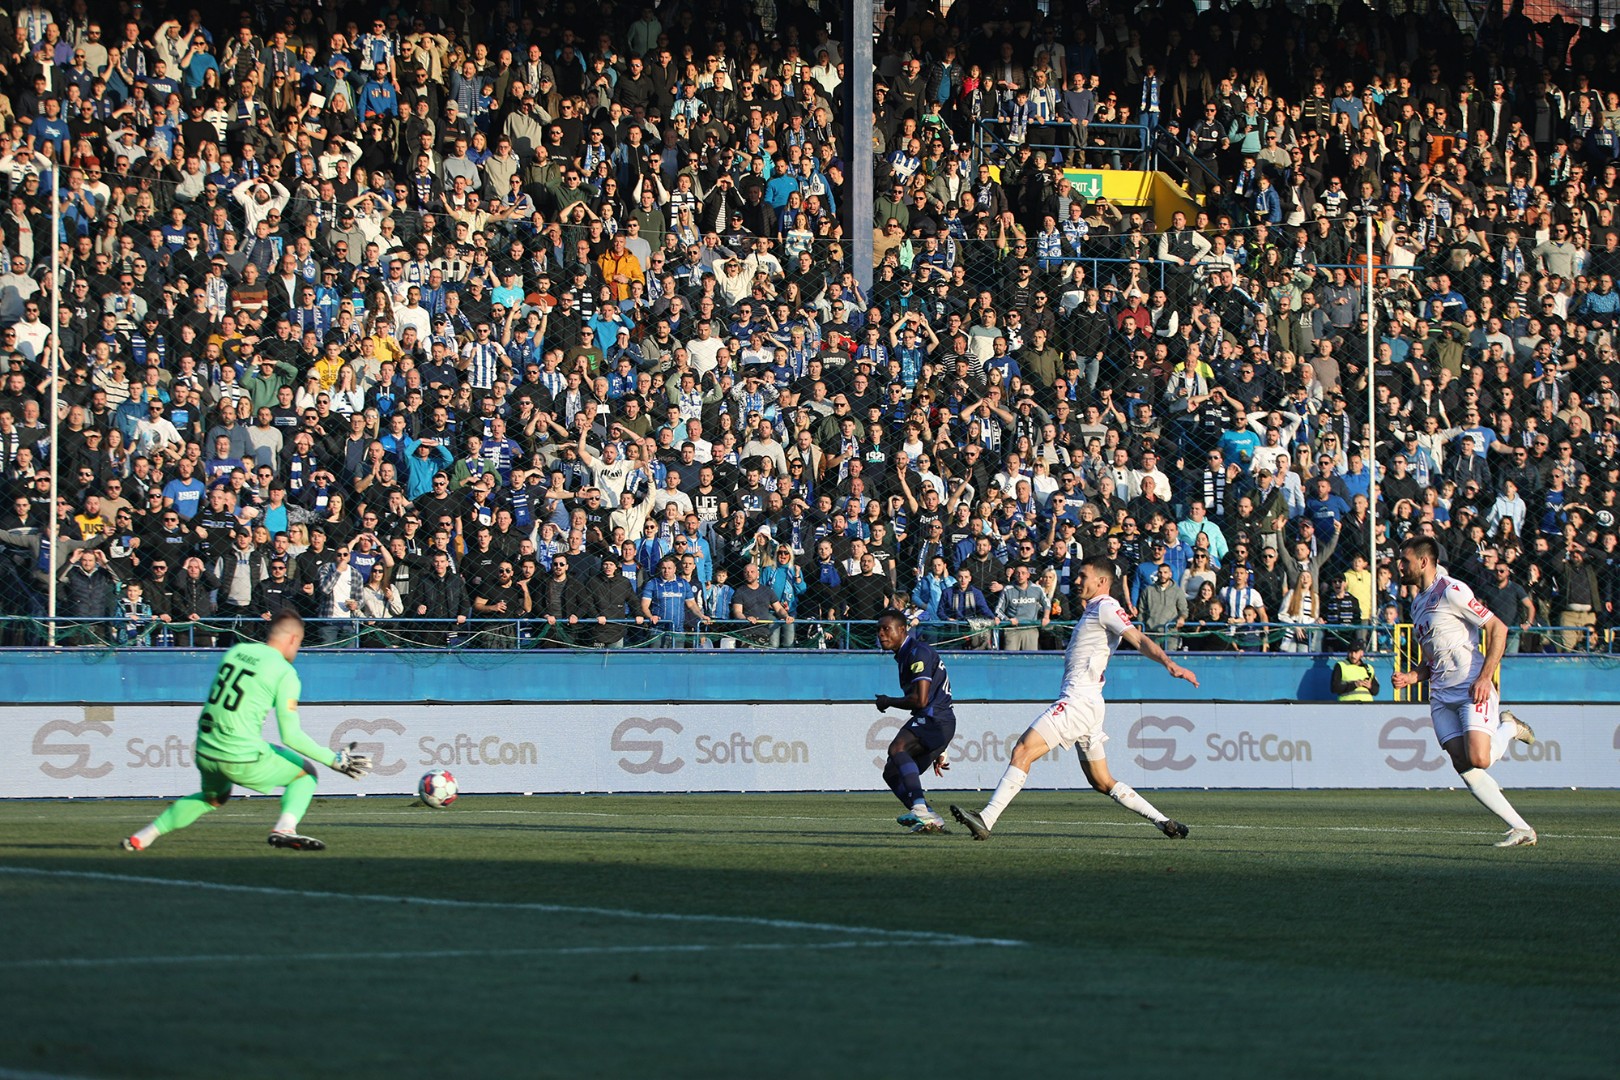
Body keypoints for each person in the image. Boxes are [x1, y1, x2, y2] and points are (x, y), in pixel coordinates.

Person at [950, 558, 1199, 841]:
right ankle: (1163, 822)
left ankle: (986, 818)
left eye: (1083, 576)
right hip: (1089, 702)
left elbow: (1138, 639)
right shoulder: (1094, 609)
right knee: (1102, 781)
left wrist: (1170, 664)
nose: (1077, 581)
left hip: (1078, 701)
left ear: (1102, 582)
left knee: (1022, 750)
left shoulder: (1107, 606)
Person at [121, 613, 373, 852]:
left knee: (214, 798)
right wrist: (333, 760)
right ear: (294, 639)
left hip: (205, 748)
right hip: (238, 754)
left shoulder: (237, 651)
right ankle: (285, 828)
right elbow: (290, 735)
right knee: (305, 774)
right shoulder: (285, 673)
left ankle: (142, 836)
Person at [1389, 536, 1538, 847]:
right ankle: (1521, 829)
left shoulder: (1452, 590)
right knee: (1462, 762)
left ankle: (1509, 727)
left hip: (1471, 685)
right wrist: (1412, 676)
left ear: (1424, 562)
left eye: (1405, 560)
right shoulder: (1417, 603)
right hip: (1440, 695)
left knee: (1479, 758)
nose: (1399, 565)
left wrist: (1486, 677)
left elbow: (1498, 628)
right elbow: (1432, 657)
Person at [873, 608, 956, 833]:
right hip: (936, 722)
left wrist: (888, 701)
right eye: (879, 629)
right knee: (891, 773)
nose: (881, 634)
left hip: (934, 718)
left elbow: (921, 700)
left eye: (886, 629)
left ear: (902, 630)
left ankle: (919, 808)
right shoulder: (905, 655)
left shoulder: (917, 652)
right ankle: (930, 819)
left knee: (897, 747)